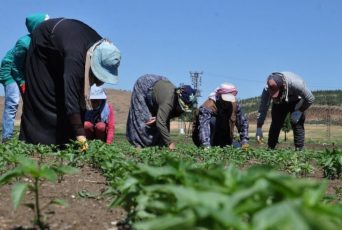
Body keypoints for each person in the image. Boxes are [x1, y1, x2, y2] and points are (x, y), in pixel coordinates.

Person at [20, 18, 121, 148]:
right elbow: (71, 94)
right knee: (46, 98)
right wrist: (80, 134)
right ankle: (35, 144)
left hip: (63, 43)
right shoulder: (76, 56)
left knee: (66, 110)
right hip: (43, 44)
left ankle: (66, 143)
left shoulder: (102, 47)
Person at [0, 13, 49, 142]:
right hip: (10, 72)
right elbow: (15, 67)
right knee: (13, 103)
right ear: (38, 26)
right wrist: (22, 82)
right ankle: (7, 138)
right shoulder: (24, 42)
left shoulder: (42, 40)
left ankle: (26, 137)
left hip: (22, 72)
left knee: (30, 103)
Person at [126, 74, 196, 150]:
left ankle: (159, 147)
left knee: (161, 120)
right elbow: (161, 123)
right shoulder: (169, 100)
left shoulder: (183, 103)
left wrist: (158, 117)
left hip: (160, 86)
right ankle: (138, 146)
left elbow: (167, 116)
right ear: (178, 96)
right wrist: (170, 143)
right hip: (145, 85)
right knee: (144, 120)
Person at [256, 72, 314, 150]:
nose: (273, 95)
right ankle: (270, 148)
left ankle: (299, 149)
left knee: (297, 123)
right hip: (280, 101)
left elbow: (310, 98)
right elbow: (263, 107)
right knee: (276, 123)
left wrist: (300, 111)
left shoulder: (296, 84)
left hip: (296, 99)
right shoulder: (267, 89)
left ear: (282, 86)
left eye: (275, 92)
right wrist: (259, 127)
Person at [192, 83, 249, 150]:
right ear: (219, 96)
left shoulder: (235, 106)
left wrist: (244, 141)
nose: (227, 102)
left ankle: (223, 145)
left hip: (224, 139)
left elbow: (243, 123)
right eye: (225, 100)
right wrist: (205, 145)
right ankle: (208, 146)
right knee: (213, 120)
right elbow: (204, 126)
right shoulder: (208, 106)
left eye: (229, 100)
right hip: (205, 139)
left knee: (238, 148)